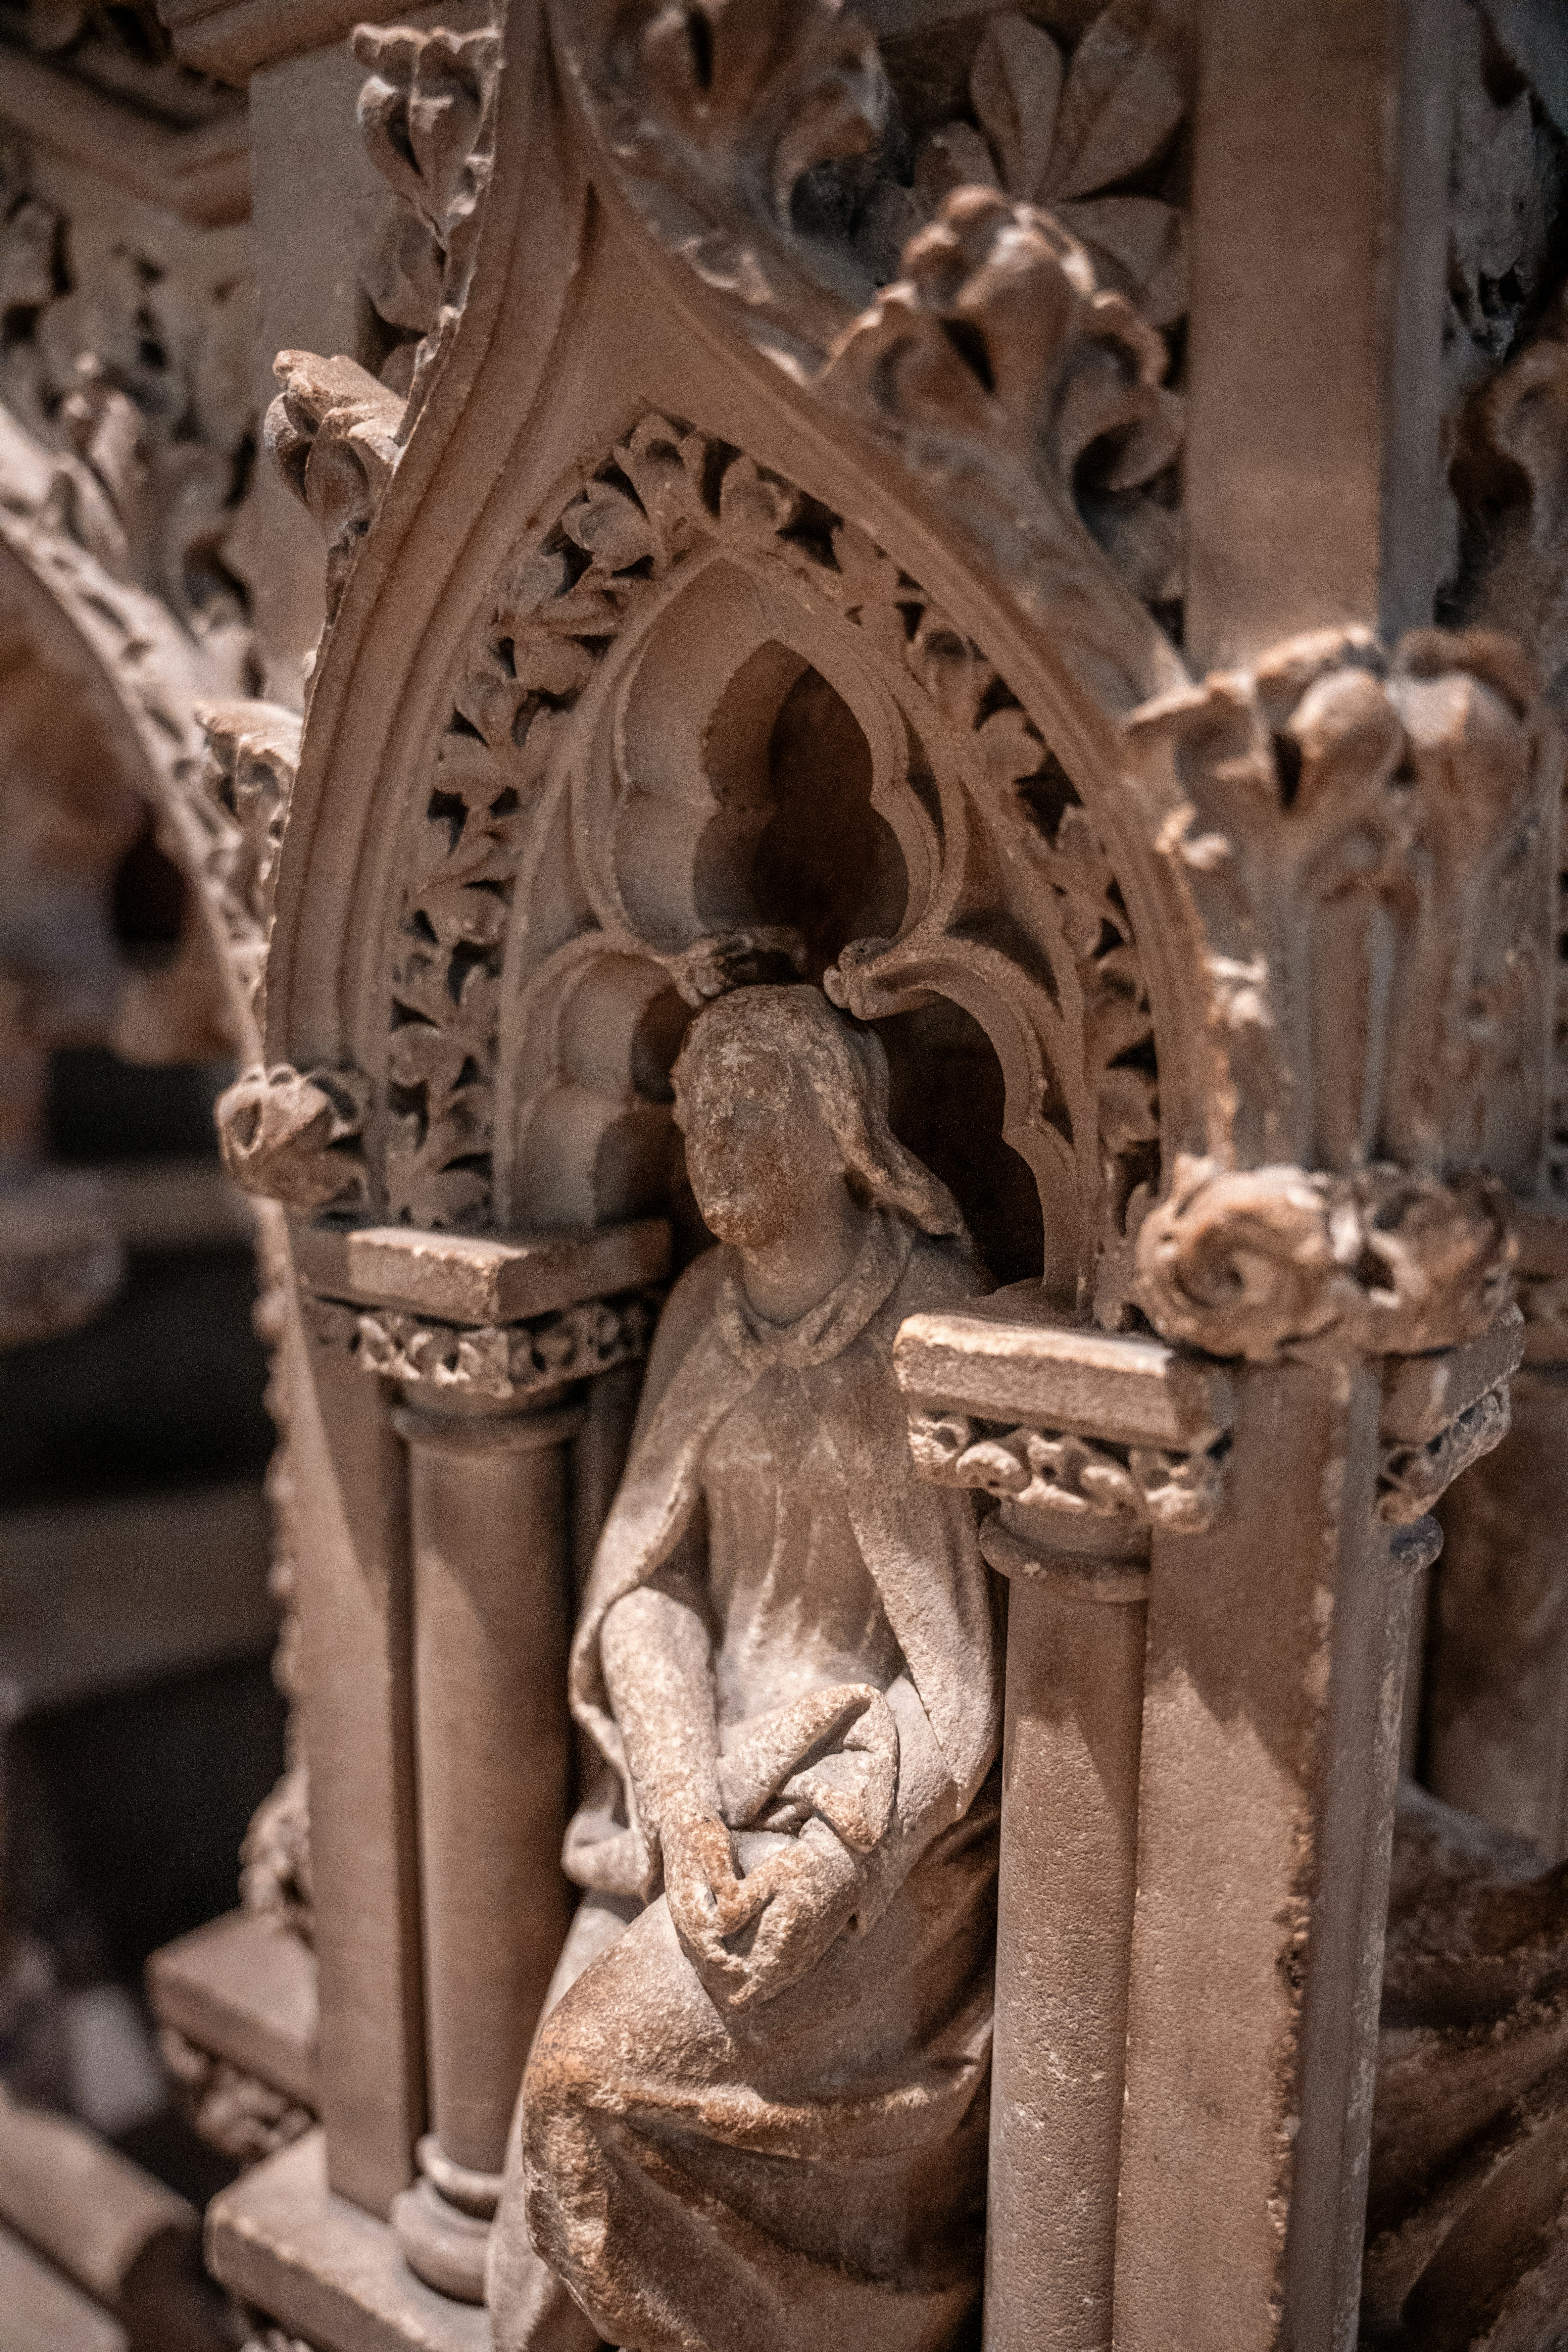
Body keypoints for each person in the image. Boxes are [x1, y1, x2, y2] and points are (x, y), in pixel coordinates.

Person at [489, 985, 1003, 2352]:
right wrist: (681, 1797)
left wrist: (828, 1865)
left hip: (880, 1828)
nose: (712, 1140)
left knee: (584, 2087)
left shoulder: (921, 1320)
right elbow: (650, 1586)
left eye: (751, 1103)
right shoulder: (706, 1315)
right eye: (694, 1108)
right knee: (518, 2277)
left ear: (842, 1125)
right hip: (690, 1798)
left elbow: (955, 1682)